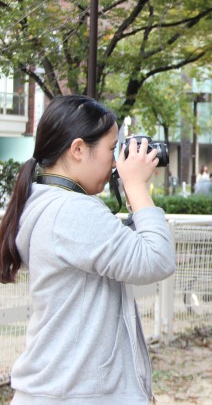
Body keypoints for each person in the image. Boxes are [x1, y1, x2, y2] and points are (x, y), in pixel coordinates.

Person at [0, 95, 176, 404]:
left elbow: (125, 250)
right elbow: (156, 260)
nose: (115, 161)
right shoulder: (71, 211)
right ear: (78, 149)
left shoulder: (46, 202)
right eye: (111, 149)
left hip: (62, 388)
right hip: (75, 392)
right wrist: (136, 187)